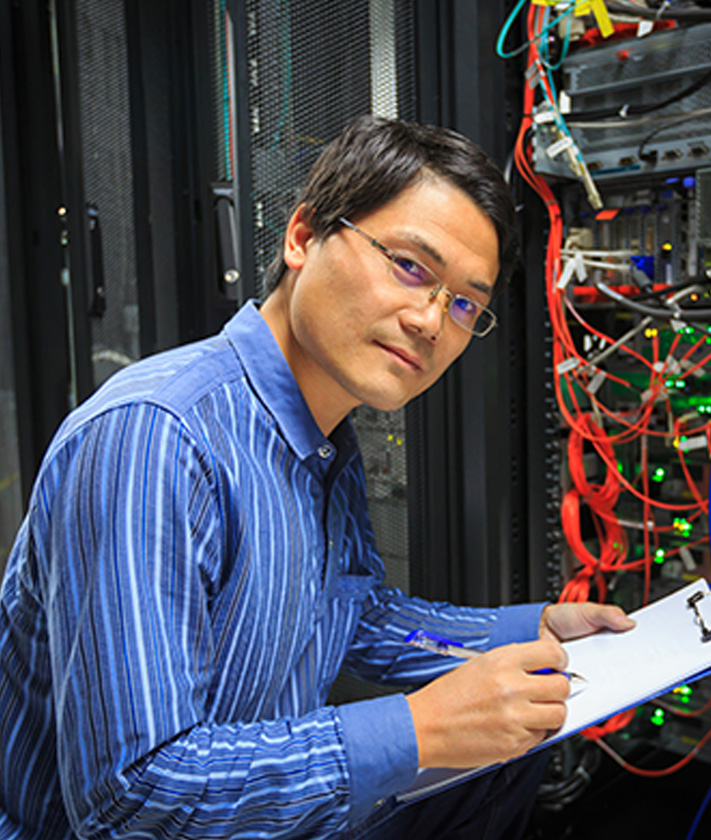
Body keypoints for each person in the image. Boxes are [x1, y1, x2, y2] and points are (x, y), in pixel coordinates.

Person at [0, 115, 634, 840]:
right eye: (410, 266)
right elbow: (131, 799)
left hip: (266, 815)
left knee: (516, 746)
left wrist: (534, 631)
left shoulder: (318, 429)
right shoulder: (156, 438)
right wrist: (417, 730)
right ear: (302, 237)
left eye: (465, 304)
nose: (432, 320)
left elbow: (351, 614)